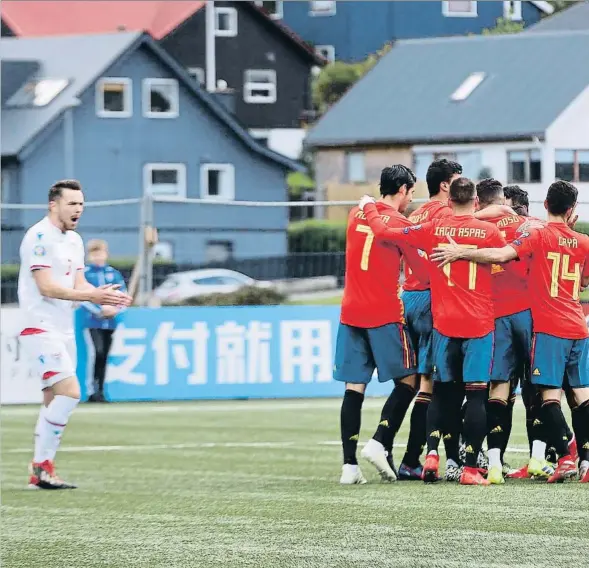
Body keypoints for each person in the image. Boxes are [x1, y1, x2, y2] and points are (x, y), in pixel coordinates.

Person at [431, 180, 589, 483]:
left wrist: (461, 250)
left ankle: (497, 462)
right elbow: (582, 282)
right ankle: (555, 459)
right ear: (572, 210)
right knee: (572, 393)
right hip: (561, 322)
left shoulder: (529, 232)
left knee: (508, 389)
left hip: (518, 319)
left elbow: (501, 254)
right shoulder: (566, 236)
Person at [360, 177, 507, 486]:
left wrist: (370, 207)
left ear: (448, 199)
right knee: (477, 395)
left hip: (443, 323)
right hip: (479, 323)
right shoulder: (489, 232)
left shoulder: (433, 228)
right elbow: (502, 259)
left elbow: (386, 232)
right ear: (476, 202)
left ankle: (431, 455)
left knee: (439, 391)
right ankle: (469, 467)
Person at [18, 179, 132, 489]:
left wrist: (103, 299)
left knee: (52, 397)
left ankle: (38, 473)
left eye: (81, 204)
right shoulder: (39, 237)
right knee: (70, 392)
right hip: (39, 326)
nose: (78, 209)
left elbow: (79, 286)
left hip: (63, 328)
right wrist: (92, 298)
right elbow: (46, 287)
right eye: (72, 203)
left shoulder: (75, 241)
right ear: (53, 204)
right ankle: (43, 466)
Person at [336, 165, 429, 485]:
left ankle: (349, 467)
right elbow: (421, 271)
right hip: (384, 312)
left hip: (350, 312)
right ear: (402, 189)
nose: (411, 199)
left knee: (354, 387)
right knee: (410, 380)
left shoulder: (355, 214)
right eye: (412, 192)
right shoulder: (400, 223)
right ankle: (379, 442)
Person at [398, 159, 464, 481]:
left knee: (424, 381)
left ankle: (419, 456)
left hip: (408, 296)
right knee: (436, 384)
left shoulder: (417, 213)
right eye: (459, 182)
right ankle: (418, 457)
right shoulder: (445, 214)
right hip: (429, 299)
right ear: (445, 185)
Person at [80, 239, 128, 403]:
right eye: (95, 254)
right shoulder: (85, 274)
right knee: (97, 352)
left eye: (100, 253)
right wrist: (99, 310)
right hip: (93, 322)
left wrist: (115, 309)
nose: (98, 257)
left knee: (105, 355)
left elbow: (123, 294)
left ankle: (101, 390)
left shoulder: (113, 273)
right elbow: (82, 298)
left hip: (110, 322)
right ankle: (91, 390)